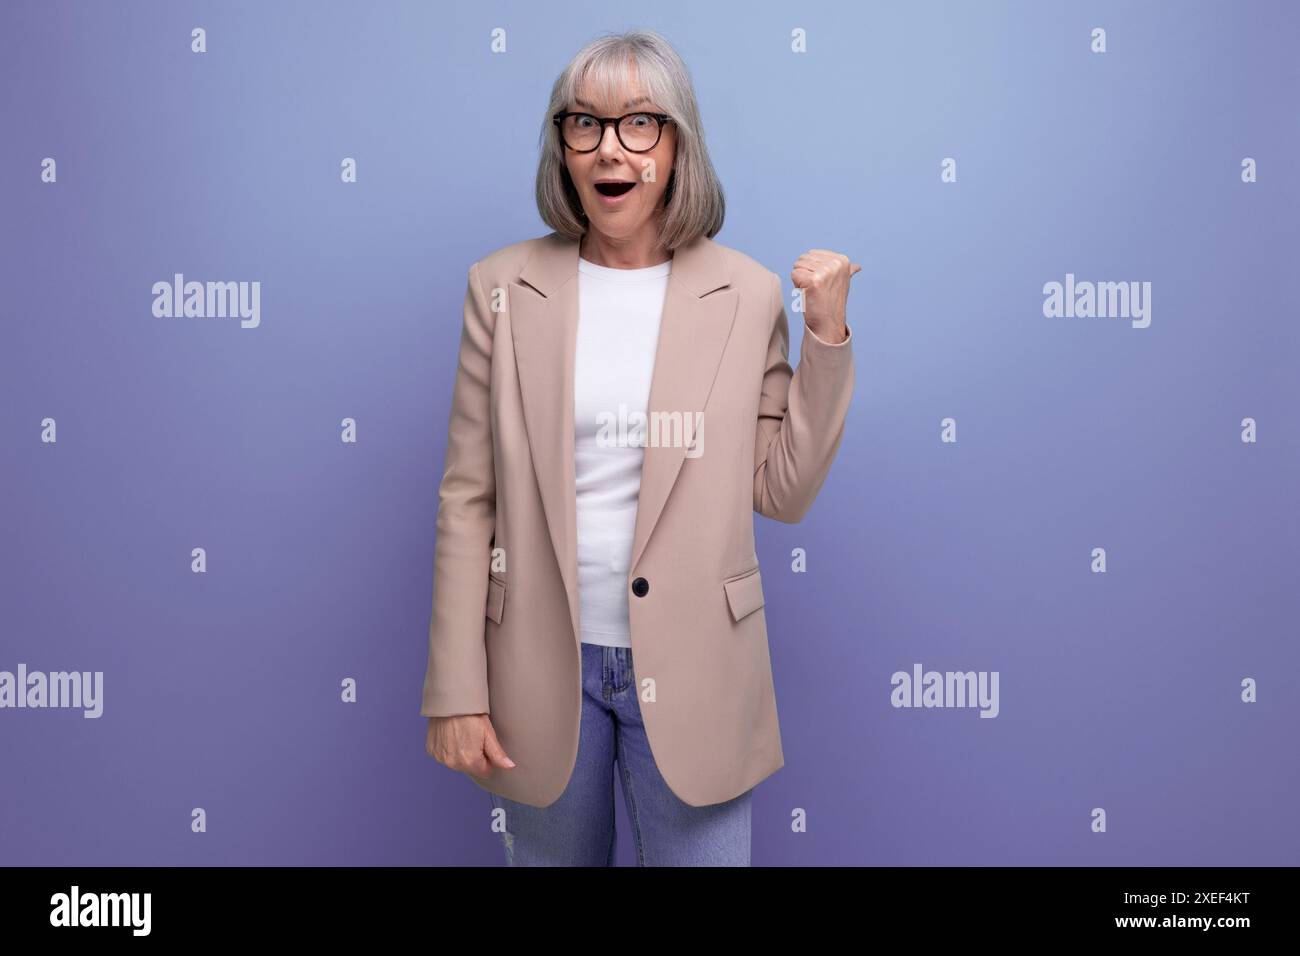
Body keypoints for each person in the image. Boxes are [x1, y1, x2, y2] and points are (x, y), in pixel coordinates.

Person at [422, 28, 858, 866]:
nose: (608, 147)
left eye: (639, 124)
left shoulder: (747, 292)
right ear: (563, 147)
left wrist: (826, 337)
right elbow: (467, 496)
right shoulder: (502, 287)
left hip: (699, 666)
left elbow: (784, 490)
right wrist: (455, 688)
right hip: (539, 667)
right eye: (583, 123)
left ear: (677, 145)